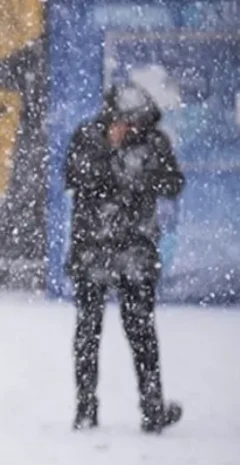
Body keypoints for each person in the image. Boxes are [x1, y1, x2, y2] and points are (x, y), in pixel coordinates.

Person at [65, 83, 185, 433]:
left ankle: (152, 409)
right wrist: (110, 152)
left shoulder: (154, 142)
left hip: (135, 250)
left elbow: (173, 183)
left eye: (137, 123)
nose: (131, 129)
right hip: (93, 249)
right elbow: (75, 177)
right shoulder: (88, 137)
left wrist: (139, 169)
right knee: (88, 331)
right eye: (125, 122)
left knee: (142, 332)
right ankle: (85, 408)